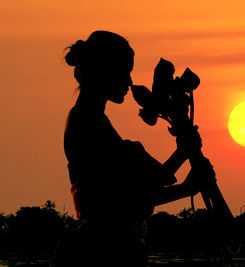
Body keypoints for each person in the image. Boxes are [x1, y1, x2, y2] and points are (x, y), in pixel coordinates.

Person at [51, 31, 212, 267]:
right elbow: (128, 198)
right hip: (100, 253)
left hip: (105, 247)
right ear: (104, 71)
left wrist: (183, 152)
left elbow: (143, 184)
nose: (129, 81)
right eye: (124, 71)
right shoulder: (88, 122)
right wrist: (189, 188)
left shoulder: (89, 118)